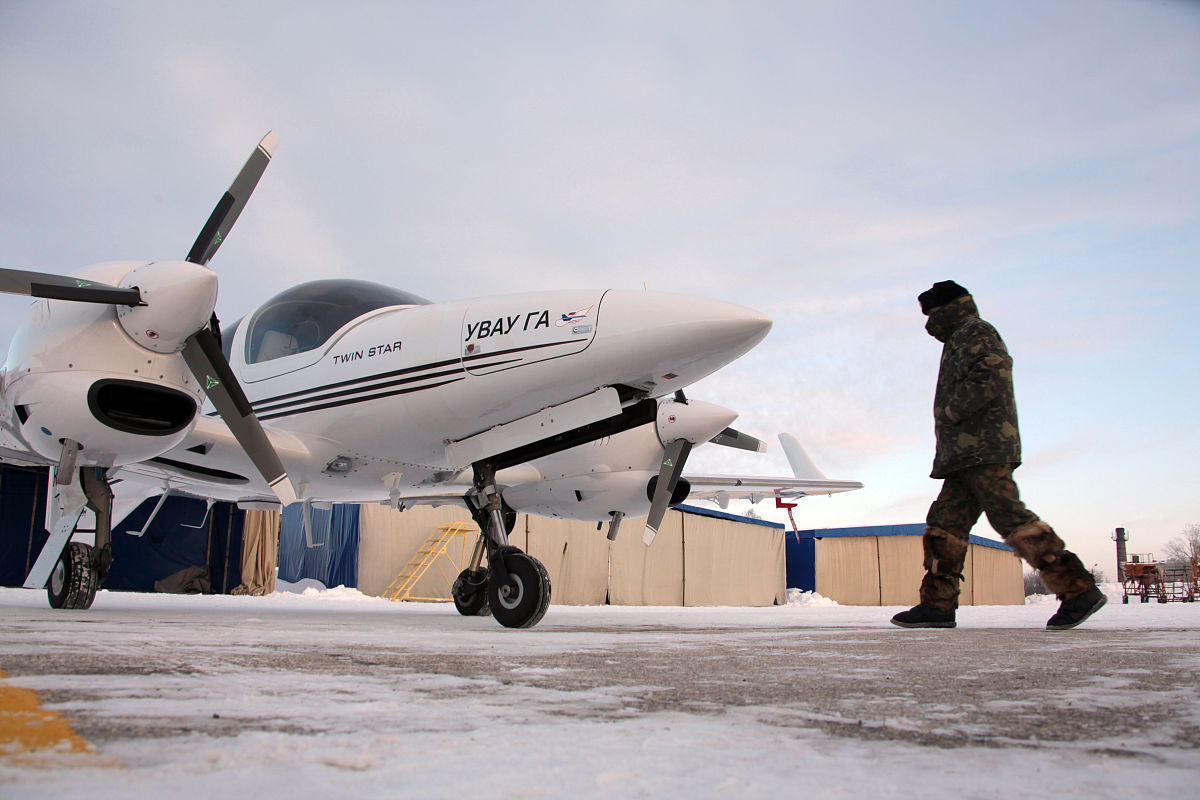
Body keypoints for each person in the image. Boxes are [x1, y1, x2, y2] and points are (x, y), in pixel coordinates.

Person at [891, 281, 1106, 630]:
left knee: (1009, 515)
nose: (929, 322)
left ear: (948, 308)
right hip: (963, 454)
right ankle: (937, 605)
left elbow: (994, 369)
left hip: (984, 448)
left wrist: (955, 409)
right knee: (945, 525)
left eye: (932, 313)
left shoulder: (974, 331)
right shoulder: (959, 338)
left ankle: (1078, 589)